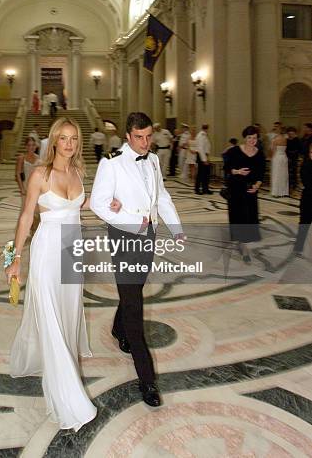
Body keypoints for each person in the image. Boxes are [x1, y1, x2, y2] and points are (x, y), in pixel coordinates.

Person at [7, 118, 114, 431]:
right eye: (63, 138)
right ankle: (68, 394)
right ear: (53, 141)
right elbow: (26, 217)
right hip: (47, 251)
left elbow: (83, 204)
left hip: (72, 250)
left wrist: (115, 205)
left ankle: (55, 362)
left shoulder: (79, 172)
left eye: (73, 138)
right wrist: (13, 259)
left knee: (68, 311)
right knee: (50, 315)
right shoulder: (40, 174)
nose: (69, 143)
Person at [90, 112, 183, 408]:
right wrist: (131, 220)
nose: (144, 143)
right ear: (128, 136)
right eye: (138, 138)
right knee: (134, 305)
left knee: (133, 293)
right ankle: (147, 380)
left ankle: (118, 329)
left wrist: (176, 229)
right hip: (126, 239)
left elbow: (162, 197)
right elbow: (97, 203)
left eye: (148, 137)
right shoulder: (111, 161)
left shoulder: (153, 160)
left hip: (150, 238)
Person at [223, 125, 266, 259]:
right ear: (244, 138)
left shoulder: (259, 154)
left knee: (250, 215)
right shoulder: (234, 151)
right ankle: (242, 244)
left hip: (251, 189)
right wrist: (238, 171)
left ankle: (247, 242)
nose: (252, 140)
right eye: (249, 137)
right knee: (238, 215)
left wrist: (257, 186)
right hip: (236, 187)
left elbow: (261, 173)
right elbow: (226, 168)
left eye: (254, 138)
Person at [293, 143, 312, 255]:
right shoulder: (306, 165)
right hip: (308, 199)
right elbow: (308, 184)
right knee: (304, 224)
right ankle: (298, 247)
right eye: (311, 152)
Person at [15, 137, 41, 202]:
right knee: (25, 209)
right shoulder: (21, 158)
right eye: (29, 145)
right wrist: (22, 189)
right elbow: (18, 174)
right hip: (26, 186)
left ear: (35, 146)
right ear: (26, 147)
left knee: (35, 209)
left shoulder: (39, 158)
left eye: (33, 145)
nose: (31, 147)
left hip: (36, 187)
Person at [270, 126, 289, 197]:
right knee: (283, 175)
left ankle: (276, 192)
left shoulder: (275, 139)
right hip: (284, 157)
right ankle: (284, 191)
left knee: (276, 174)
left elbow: (273, 150)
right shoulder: (285, 139)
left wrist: (272, 157)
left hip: (277, 157)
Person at [195, 124, 212, 194]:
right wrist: (204, 160)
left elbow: (206, 147)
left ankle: (205, 189)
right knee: (201, 174)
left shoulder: (204, 135)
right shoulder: (201, 135)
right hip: (202, 156)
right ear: (207, 128)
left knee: (206, 174)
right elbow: (200, 148)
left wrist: (207, 157)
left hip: (205, 156)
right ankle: (197, 189)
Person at [286, 127, 301, 192]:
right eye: (289, 133)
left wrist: (292, 153)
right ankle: (288, 184)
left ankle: (294, 184)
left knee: (294, 171)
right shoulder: (287, 140)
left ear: (294, 133)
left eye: (292, 133)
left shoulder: (297, 140)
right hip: (288, 157)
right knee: (288, 172)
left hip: (294, 157)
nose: (290, 135)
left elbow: (298, 149)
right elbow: (286, 149)